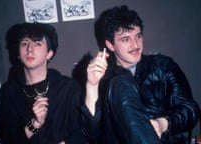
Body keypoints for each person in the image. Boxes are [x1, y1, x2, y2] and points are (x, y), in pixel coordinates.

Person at [72, 5, 201, 144]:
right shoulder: (103, 77)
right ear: (110, 45)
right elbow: (91, 133)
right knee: (118, 84)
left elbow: (190, 110)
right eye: (126, 39)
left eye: (138, 36)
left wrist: (163, 124)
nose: (135, 45)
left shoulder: (163, 66)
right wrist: (91, 86)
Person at [0, 22, 86, 144]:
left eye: (37, 43)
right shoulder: (9, 92)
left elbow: (82, 133)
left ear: (49, 54)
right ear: (18, 52)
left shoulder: (69, 88)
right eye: (24, 43)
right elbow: (6, 139)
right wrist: (34, 125)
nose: (29, 49)